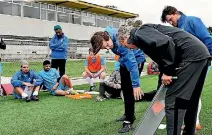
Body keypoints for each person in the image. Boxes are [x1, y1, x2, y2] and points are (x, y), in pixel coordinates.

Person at [115, 24, 211, 135]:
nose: (129, 49)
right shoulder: (145, 36)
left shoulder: (139, 33)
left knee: (173, 101)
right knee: (191, 100)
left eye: (126, 46)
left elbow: (167, 43)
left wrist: (168, 72)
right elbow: (162, 55)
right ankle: (189, 132)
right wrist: (163, 76)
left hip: (191, 56)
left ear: (125, 38)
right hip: (201, 56)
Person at [161, 6, 212, 129]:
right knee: (189, 92)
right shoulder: (178, 29)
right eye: (168, 22)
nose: (170, 23)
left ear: (175, 13)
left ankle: (194, 123)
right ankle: (191, 123)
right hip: (189, 64)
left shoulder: (192, 21)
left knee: (193, 92)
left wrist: (208, 58)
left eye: (170, 19)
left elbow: (207, 39)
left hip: (200, 62)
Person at [90, 26, 145, 133]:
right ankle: (128, 114)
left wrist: (136, 85)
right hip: (124, 62)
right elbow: (110, 28)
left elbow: (133, 65)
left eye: (106, 45)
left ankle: (129, 121)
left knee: (129, 91)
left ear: (107, 37)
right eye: (104, 48)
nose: (107, 48)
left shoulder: (121, 45)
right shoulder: (107, 35)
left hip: (136, 61)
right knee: (124, 89)